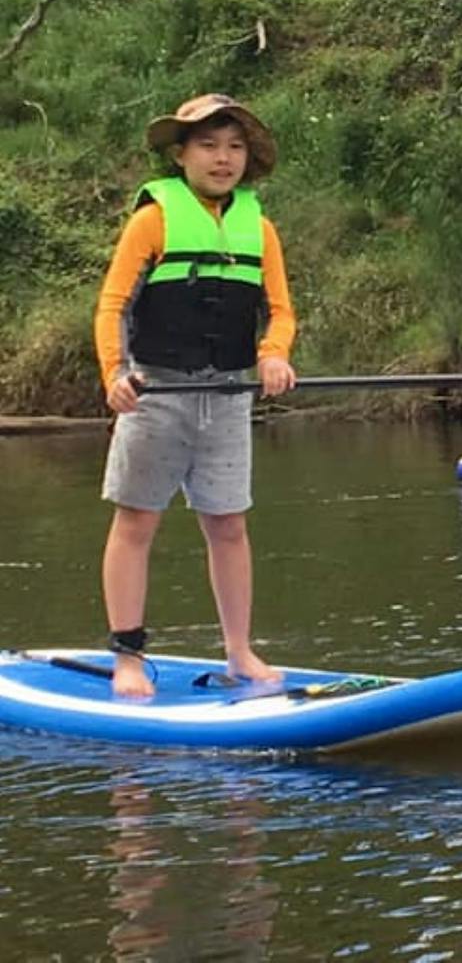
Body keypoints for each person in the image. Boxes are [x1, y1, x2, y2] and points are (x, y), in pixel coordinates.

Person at [93, 94, 298, 697]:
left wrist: (274, 354)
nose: (223, 158)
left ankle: (239, 652)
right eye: (208, 145)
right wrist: (115, 374)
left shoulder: (258, 228)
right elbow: (114, 306)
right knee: (136, 522)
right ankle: (128, 658)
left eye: (235, 146)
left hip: (228, 396)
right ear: (180, 154)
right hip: (156, 394)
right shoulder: (152, 220)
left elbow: (279, 313)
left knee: (229, 525)